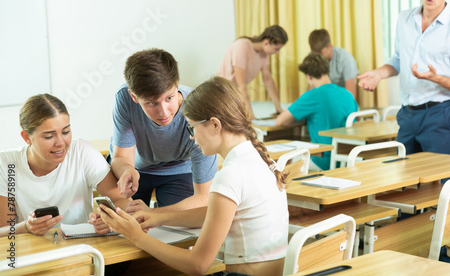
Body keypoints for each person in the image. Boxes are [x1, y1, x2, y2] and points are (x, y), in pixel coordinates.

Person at [99, 77, 289, 276]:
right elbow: (214, 214)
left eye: (191, 127)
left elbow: (197, 265)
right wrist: (157, 217)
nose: (191, 136)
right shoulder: (259, 160)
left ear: (215, 125)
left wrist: (136, 236)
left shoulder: (230, 174)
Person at [357, 0, 450, 156]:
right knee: (405, 183)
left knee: (440, 182)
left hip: (439, 115)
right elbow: (398, 59)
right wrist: (379, 74)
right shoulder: (404, 19)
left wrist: (436, 78)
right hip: (407, 115)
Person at [0, 94, 129, 237]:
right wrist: (26, 227)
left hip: (82, 246)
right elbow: (3, 229)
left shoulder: (82, 152)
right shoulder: (7, 164)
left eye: (66, 131)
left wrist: (109, 218)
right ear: (27, 137)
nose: (61, 142)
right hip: (33, 250)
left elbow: (122, 200)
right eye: (49, 136)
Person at [110, 49, 218, 213]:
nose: (164, 112)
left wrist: (154, 215)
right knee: (121, 224)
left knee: (175, 227)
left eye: (169, 98)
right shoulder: (124, 97)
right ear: (134, 97)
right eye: (152, 103)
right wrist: (126, 170)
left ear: (177, 84)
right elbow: (120, 157)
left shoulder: (199, 109)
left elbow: (203, 197)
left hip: (179, 169)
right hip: (135, 169)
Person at [276, 54, 358, 170]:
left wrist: (302, 121)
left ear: (309, 76)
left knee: (281, 164)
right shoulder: (347, 94)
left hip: (324, 161)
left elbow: (280, 121)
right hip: (348, 159)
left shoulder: (312, 95)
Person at [217, 25, 288, 118]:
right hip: (221, 92)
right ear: (266, 43)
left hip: (234, 92)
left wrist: (278, 108)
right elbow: (241, 85)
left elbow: (268, 80)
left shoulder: (264, 53)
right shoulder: (242, 46)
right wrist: (251, 115)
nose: (278, 52)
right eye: (276, 49)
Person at [309, 29, 359, 99]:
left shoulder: (345, 59)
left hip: (342, 99)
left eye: (321, 53)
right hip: (323, 100)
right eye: (315, 54)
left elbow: (350, 96)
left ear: (330, 47)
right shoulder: (312, 58)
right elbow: (311, 89)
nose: (318, 57)